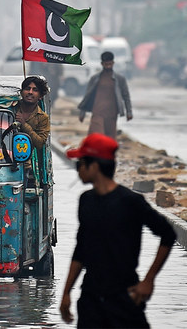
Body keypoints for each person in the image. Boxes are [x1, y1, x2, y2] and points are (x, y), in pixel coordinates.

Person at [60, 133, 176, 328]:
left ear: (94, 166)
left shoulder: (130, 202)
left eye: (80, 163)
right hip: (90, 300)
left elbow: (168, 234)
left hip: (124, 297)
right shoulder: (86, 201)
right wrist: (66, 293)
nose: (78, 169)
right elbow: (81, 250)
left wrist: (149, 280)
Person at [77, 51, 132, 139]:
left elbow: (126, 96)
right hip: (97, 112)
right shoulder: (95, 79)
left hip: (112, 114)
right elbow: (87, 97)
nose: (108, 66)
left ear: (113, 63)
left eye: (110, 64)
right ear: (102, 64)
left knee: (109, 138)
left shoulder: (119, 79)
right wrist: (82, 113)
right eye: (106, 64)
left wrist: (129, 112)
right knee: (96, 136)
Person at [15, 76, 50, 150]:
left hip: (27, 158)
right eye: (27, 89)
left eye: (35, 90)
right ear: (21, 92)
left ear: (40, 96)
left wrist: (24, 125)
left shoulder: (43, 118)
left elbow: (40, 143)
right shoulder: (12, 108)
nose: (30, 92)